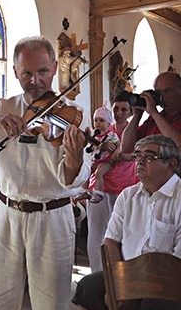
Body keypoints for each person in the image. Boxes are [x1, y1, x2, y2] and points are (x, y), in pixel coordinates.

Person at [0, 35, 91, 310]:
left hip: (52, 215)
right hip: (7, 213)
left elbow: (76, 177)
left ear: (53, 68)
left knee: (51, 302)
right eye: (27, 73)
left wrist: (74, 156)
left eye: (43, 72)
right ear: (15, 71)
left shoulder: (73, 114)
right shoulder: (3, 107)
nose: (35, 80)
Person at [72, 135, 181, 310]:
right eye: (137, 155)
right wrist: (121, 284)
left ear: (171, 164)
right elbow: (111, 242)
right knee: (88, 287)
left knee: (153, 304)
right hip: (128, 275)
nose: (140, 161)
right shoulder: (128, 195)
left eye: (149, 157)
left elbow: (177, 263)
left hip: (168, 280)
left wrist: (136, 290)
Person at [84, 91, 138, 272]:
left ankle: (121, 279)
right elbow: (91, 157)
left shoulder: (135, 130)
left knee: (123, 235)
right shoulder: (105, 128)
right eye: (116, 108)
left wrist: (120, 155)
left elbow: (137, 154)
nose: (119, 112)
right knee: (96, 233)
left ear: (131, 112)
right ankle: (97, 275)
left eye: (124, 109)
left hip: (125, 188)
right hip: (100, 187)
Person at [121, 72, 181, 152]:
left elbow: (178, 146)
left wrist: (154, 113)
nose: (162, 97)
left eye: (168, 91)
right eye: (158, 93)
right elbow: (126, 148)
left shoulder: (157, 117)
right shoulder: (154, 120)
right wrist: (137, 115)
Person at [84, 101, 119, 204]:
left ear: (108, 123)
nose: (97, 123)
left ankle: (99, 193)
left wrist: (116, 152)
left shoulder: (111, 135)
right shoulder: (95, 134)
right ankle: (85, 191)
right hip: (95, 159)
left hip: (106, 160)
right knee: (86, 172)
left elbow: (118, 145)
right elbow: (89, 142)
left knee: (99, 173)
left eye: (101, 120)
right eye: (95, 120)